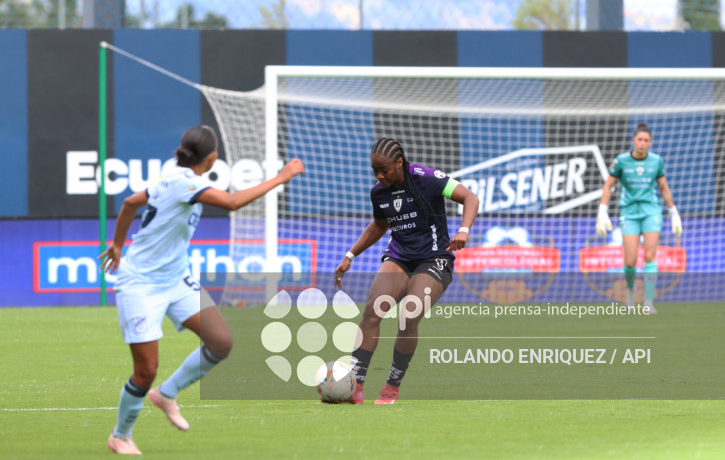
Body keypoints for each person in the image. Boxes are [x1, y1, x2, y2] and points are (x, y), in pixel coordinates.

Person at [100, 125, 304, 455]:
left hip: (175, 278)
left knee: (221, 342)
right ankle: (120, 436)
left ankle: (168, 394)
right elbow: (234, 202)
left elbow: (128, 203)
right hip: (140, 283)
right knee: (145, 370)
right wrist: (281, 178)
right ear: (211, 158)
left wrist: (118, 244)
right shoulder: (186, 182)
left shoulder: (172, 175)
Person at [334, 137, 479, 404]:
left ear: (399, 162)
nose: (379, 175)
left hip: (435, 258)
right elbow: (379, 226)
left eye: (384, 170)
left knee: (408, 316)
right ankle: (355, 386)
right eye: (375, 170)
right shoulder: (379, 192)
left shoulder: (427, 178)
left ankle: (392, 386)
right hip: (399, 258)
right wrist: (350, 255)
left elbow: (470, 197)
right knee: (372, 312)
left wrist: (463, 230)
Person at [596, 122, 682, 315]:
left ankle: (648, 302)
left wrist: (673, 212)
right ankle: (631, 290)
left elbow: (663, 187)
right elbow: (608, 186)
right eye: (639, 139)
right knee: (630, 260)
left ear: (650, 143)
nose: (642, 143)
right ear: (633, 141)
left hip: (651, 211)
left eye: (646, 140)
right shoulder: (621, 161)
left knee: (650, 255)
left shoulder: (656, 161)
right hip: (629, 212)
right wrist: (602, 211)